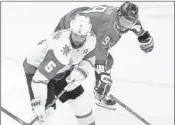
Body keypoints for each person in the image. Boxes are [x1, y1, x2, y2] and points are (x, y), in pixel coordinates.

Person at [54, 2, 154, 110]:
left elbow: (135, 25)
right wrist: (101, 73)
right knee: (71, 59)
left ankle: (99, 93)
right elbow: (99, 50)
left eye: (129, 23)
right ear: (119, 14)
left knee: (105, 63)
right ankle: (48, 82)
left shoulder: (124, 19)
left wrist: (143, 35)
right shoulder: (108, 27)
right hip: (69, 27)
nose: (125, 26)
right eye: (124, 21)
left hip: (85, 22)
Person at [23, 15, 96, 125]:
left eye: (82, 36)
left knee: (81, 102)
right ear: (71, 30)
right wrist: (39, 102)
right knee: (46, 113)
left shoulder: (90, 38)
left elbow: (90, 57)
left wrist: (81, 72)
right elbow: (40, 79)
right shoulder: (60, 51)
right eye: (76, 34)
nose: (78, 40)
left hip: (61, 69)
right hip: (37, 69)